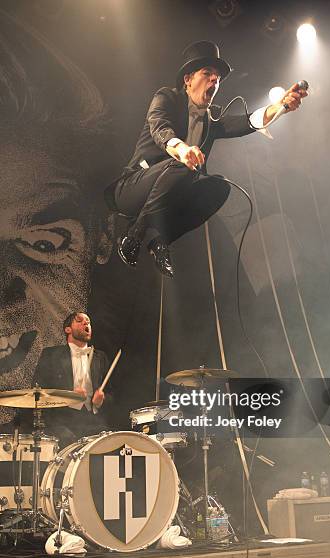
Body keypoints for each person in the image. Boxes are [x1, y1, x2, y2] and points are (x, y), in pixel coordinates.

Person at [106, 40, 307, 277]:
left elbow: (248, 121)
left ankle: (160, 242)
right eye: (207, 73)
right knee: (187, 163)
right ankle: (134, 234)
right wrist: (182, 149)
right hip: (132, 188)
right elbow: (159, 127)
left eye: (218, 77)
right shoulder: (167, 97)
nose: (215, 80)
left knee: (218, 186)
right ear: (188, 79)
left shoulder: (213, 118)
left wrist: (281, 106)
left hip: (169, 196)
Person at [0, 11, 114, 425]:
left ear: (102, 238)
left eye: (45, 243)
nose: (2, 293)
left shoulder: (94, 358)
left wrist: (95, 400)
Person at [31, 312, 111, 442]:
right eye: (79, 320)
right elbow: (39, 391)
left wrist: (102, 400)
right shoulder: (51, 354)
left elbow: (114, 393)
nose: (86, 323)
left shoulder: (100, 357)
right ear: (68, 329)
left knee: (108, 445)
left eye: (88, 321)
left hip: (94, 420)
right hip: (63, 421)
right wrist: (69, 396)